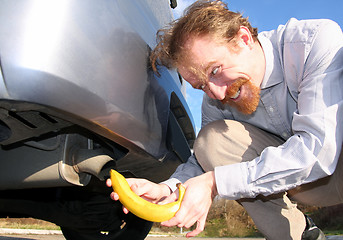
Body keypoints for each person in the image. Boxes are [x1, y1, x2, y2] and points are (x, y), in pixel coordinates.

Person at [107, 1, 343, 239]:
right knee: (211, 142)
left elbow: (319, 152)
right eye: (201, 86)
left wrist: (216, 183)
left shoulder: (312, 43)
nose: (218, 94)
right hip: (305, 187)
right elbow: (201, 162)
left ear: (243, 38)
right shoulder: (215, 100)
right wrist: (169, 188)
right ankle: (302, 234)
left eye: (215, 71)